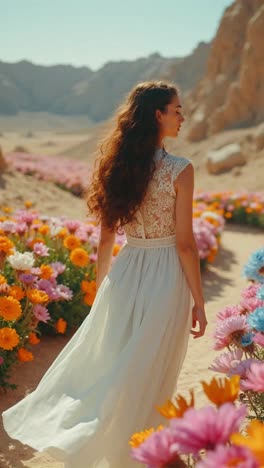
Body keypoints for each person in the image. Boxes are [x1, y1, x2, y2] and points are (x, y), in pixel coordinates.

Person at [2, 81, 207, 468]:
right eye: (177, 110)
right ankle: (144, 449)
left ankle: (125, 446)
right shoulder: (180, 170)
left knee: (122, 361)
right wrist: (199, 300)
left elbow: (105, 239)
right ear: (158, 114)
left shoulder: (117, 166)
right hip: (166, 276)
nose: (183, 117)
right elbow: (185, 245)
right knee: (152, 364)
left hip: (126, 271)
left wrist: (103, 289)